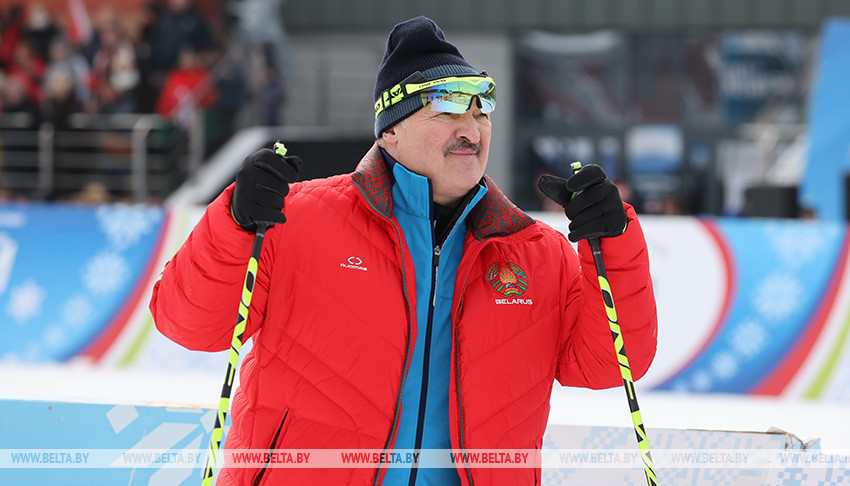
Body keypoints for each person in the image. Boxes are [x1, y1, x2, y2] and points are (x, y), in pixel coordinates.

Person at [150, 16, 657, 486]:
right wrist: (235, 224)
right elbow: (188, 324)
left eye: (481, 111)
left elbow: (612, 364)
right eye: (450, 108)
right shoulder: (296, 219)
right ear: (391, 129)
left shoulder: (536, 253)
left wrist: (611, 245)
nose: (472, 128)